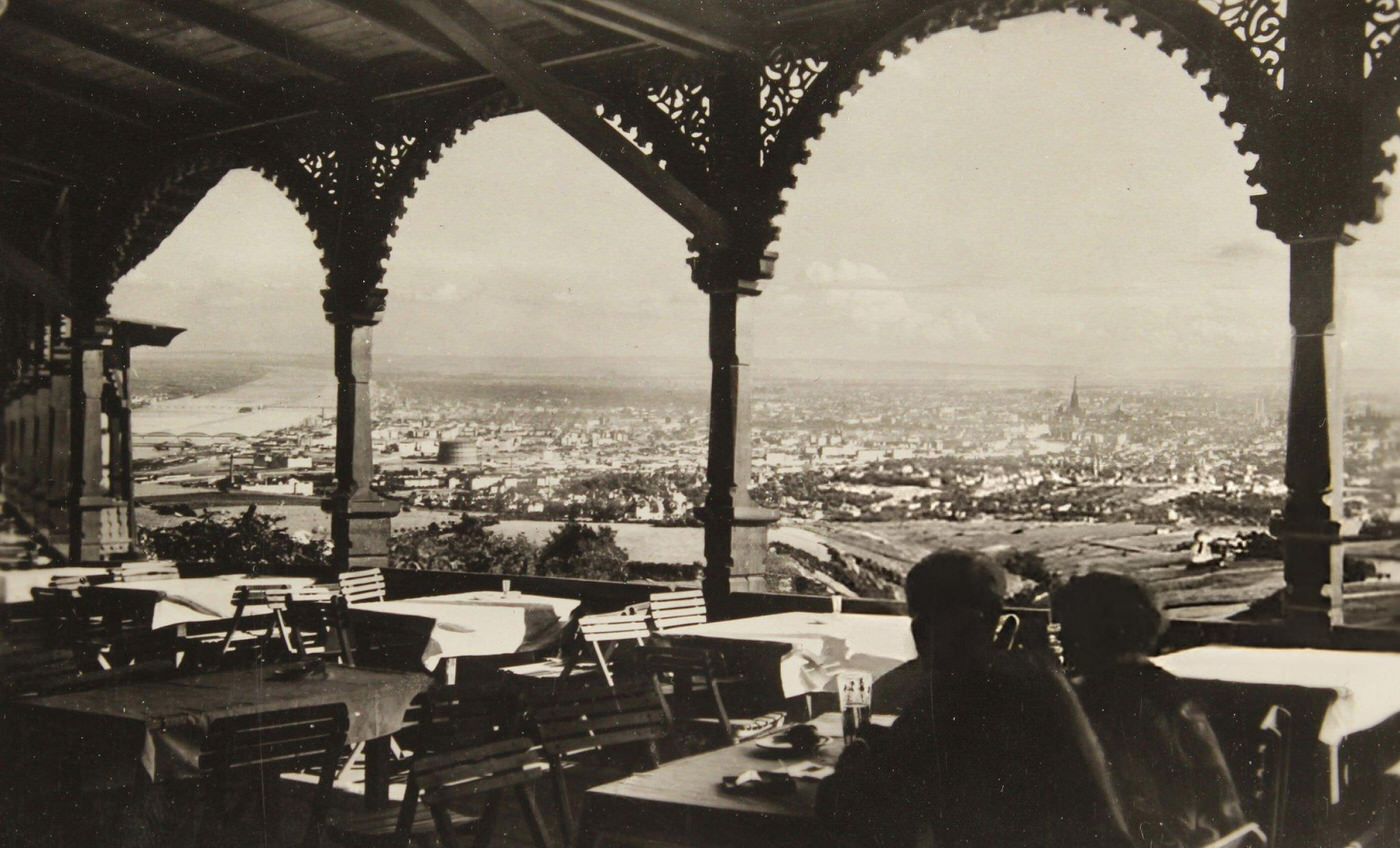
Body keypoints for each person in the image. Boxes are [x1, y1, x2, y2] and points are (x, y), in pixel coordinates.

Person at [817, 551, 1133, 848]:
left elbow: (843, 805)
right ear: (996, 619)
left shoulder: (955, 694)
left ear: (921, 630)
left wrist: (857, 752)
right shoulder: (1039, 676)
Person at [1053, 572, 1246, 848]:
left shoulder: (1088, 702)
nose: (1063, 639)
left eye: (1067, 627)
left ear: (1090, 632)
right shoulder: (1171, 693)